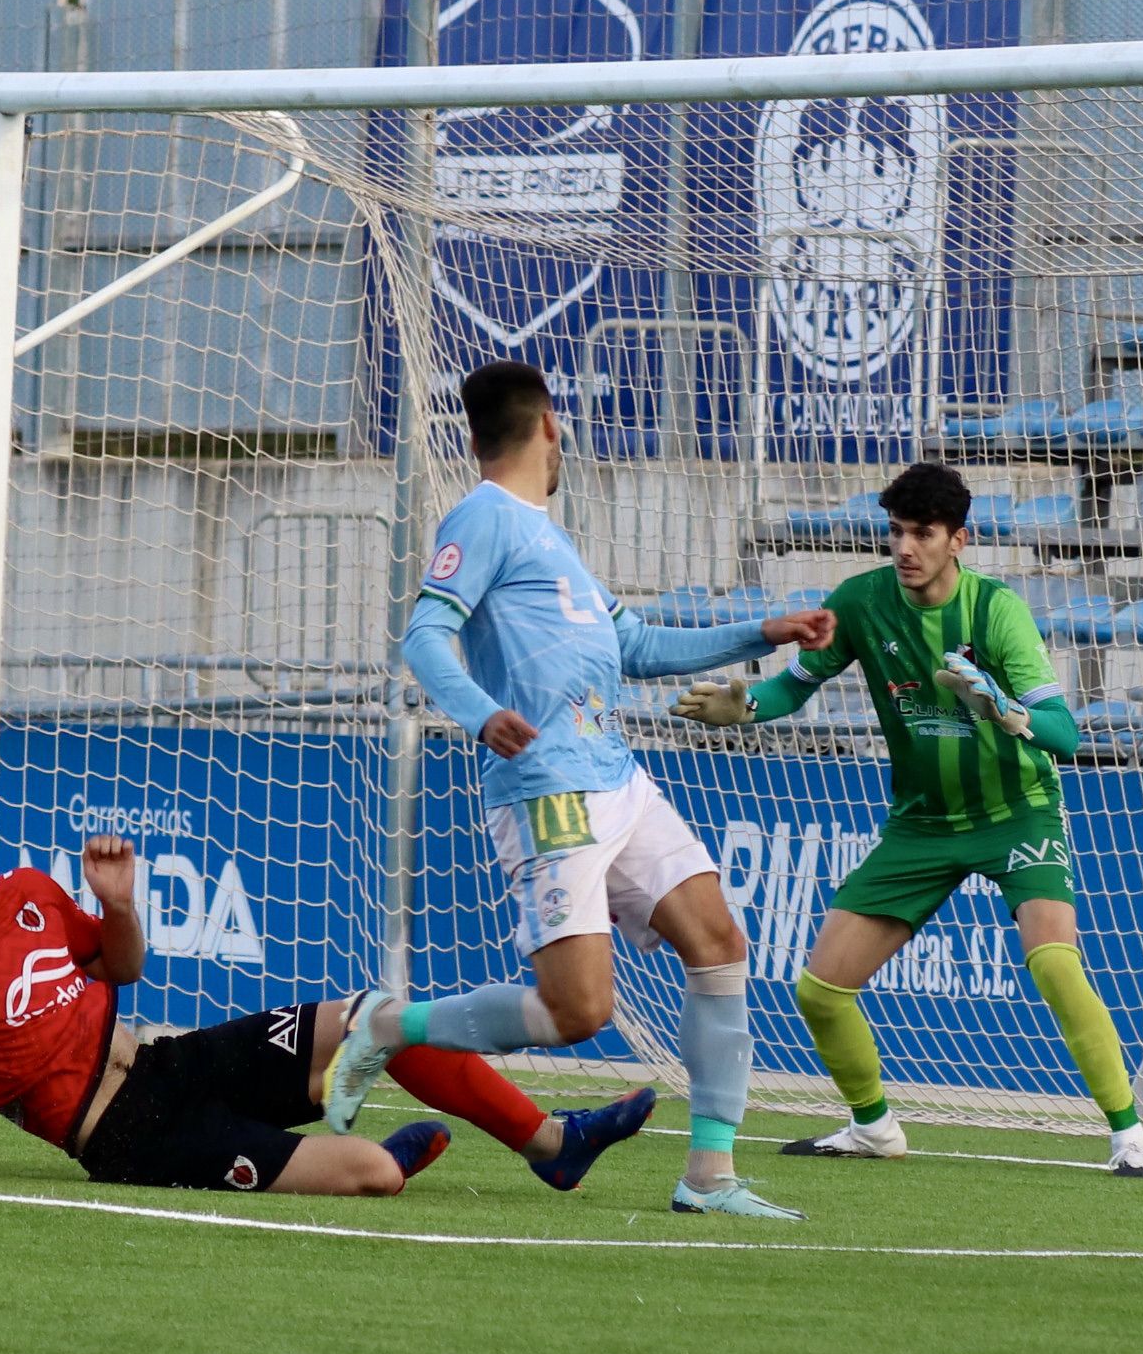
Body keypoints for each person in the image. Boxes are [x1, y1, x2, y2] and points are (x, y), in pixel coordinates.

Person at [323, 359, 840, 1220]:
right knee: (578, 1010)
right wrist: (481, 713)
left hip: (618, 777)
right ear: (551, 426)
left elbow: (636, 644)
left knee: (718, 939)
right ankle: (385, 1026)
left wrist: (765, 630)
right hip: (547, 790)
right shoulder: (484, 517)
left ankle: (708, 1176)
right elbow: (423, 636)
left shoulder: (550, 538)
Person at [675, 459, 1143, 1175]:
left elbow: (1066, 734)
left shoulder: (996, 612)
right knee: (820, 990)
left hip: (1014, 812)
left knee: (1054, 963)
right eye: (896, 532)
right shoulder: (864, 604)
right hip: (922, 825)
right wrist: (743, 708)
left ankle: (1130, 1138)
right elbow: (792, 689)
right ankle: (874, 1128)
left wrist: (1004, 707)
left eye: (923, 533)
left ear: (959, 539)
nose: (905, 548)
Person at [0, 775, 460, 1197]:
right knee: (374, 1175)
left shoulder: (30, 889)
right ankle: (366, 1152)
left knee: (375, 1017)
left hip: (169, 1064)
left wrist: (118, 903)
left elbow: (122, 969)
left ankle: (544, 1139)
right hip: (125, 1136)